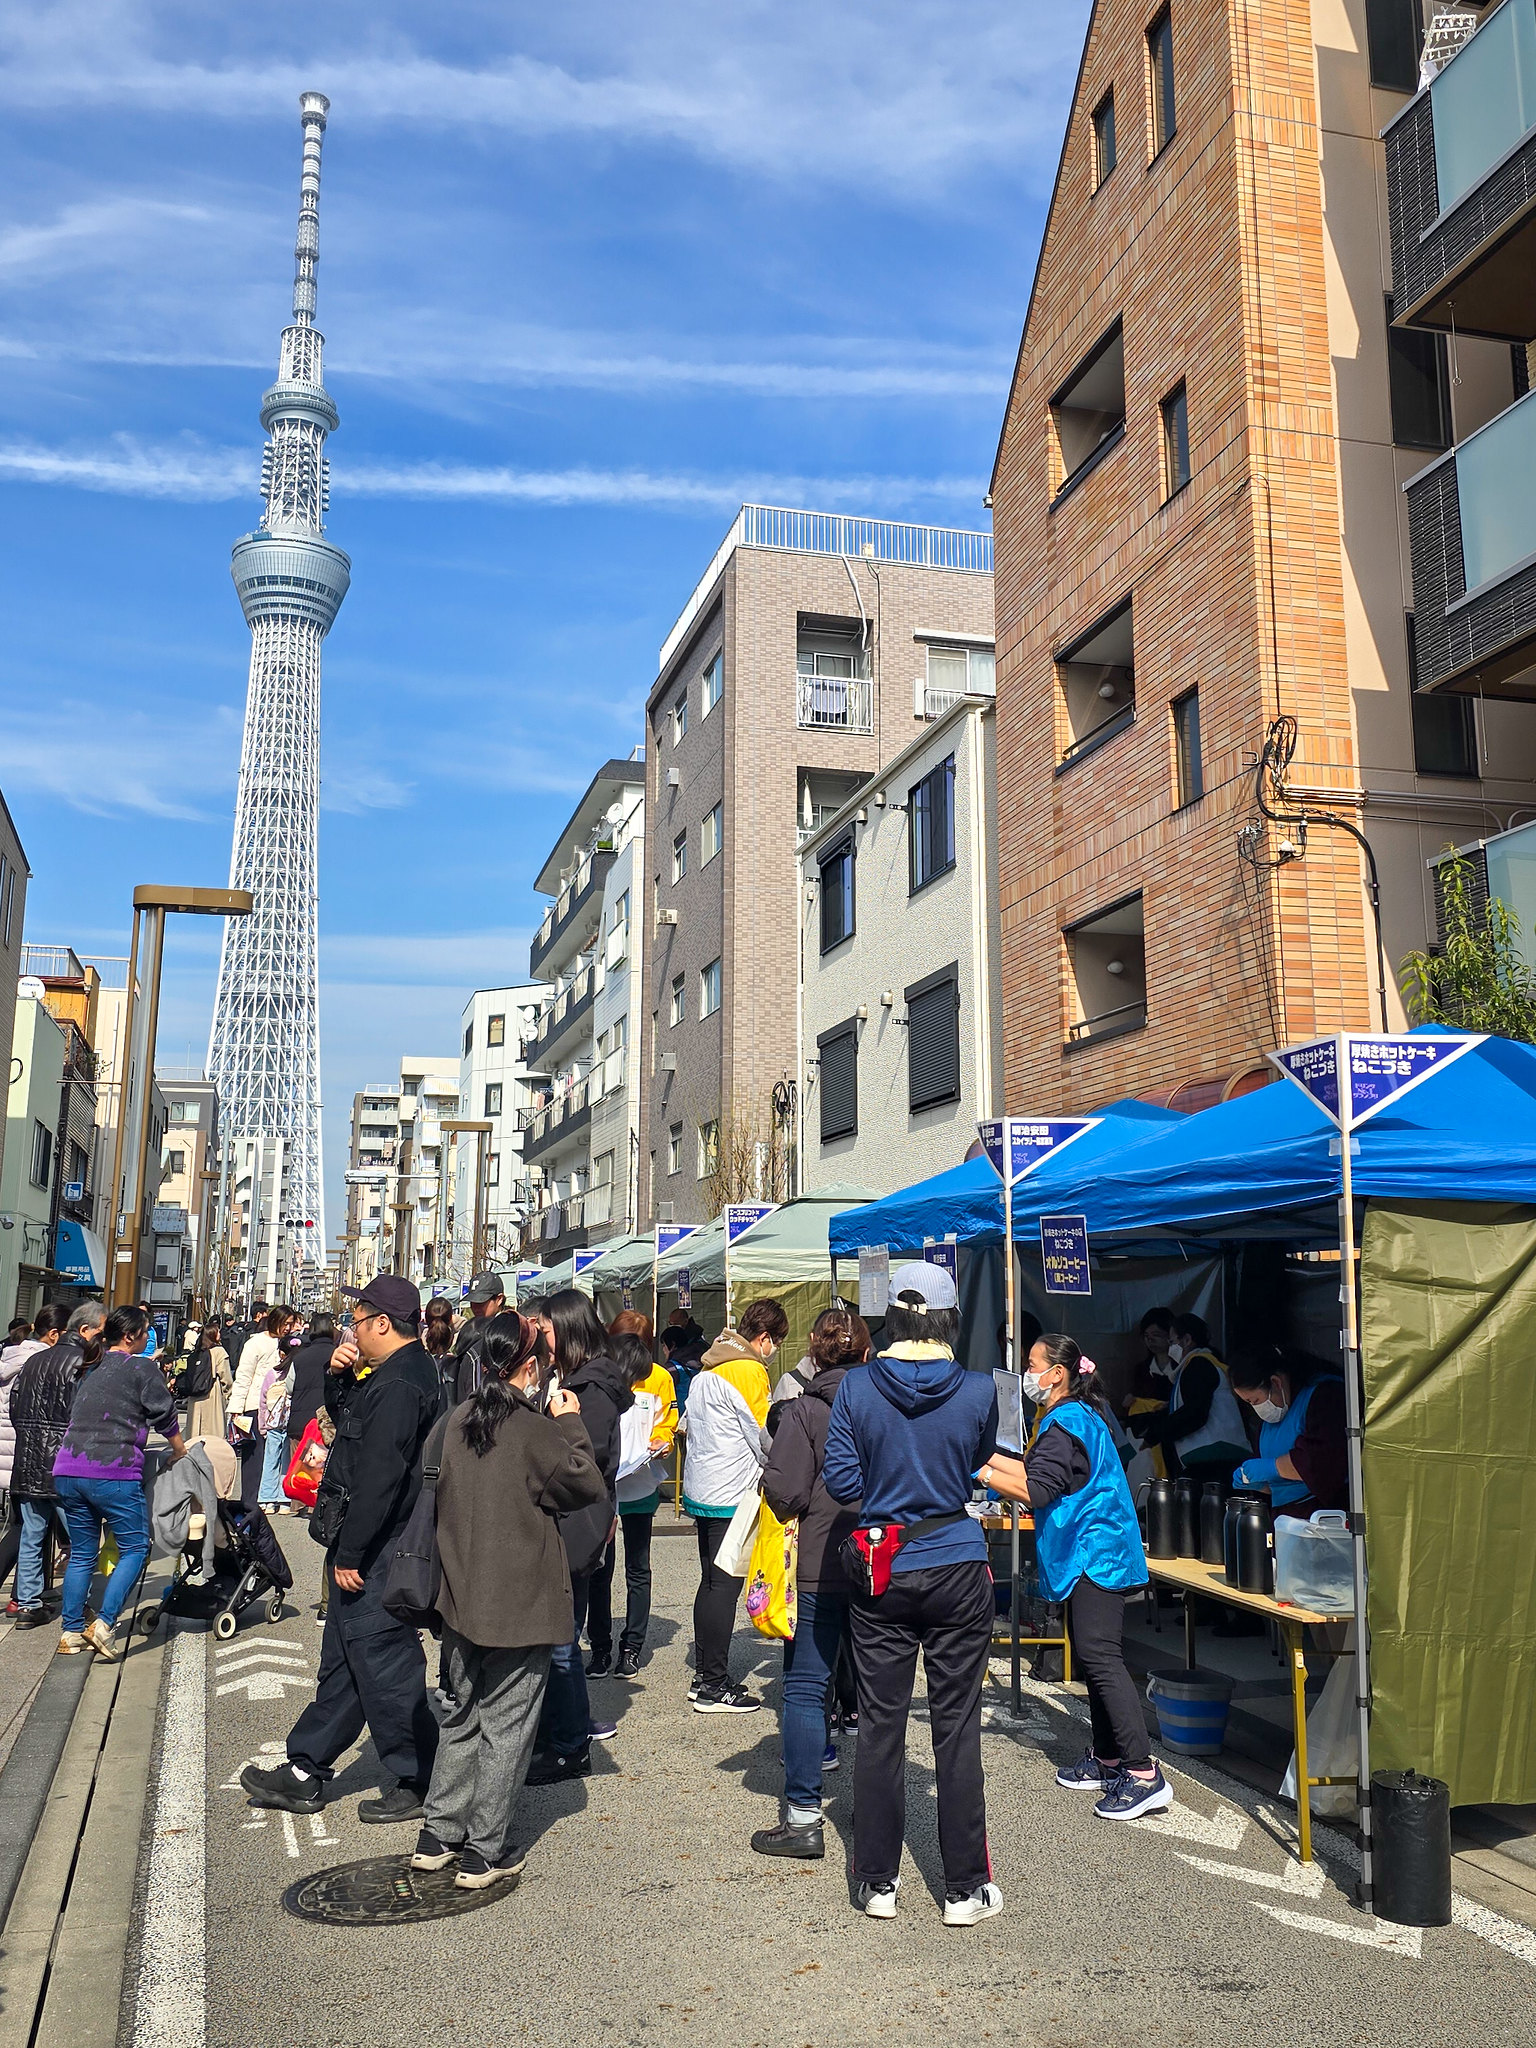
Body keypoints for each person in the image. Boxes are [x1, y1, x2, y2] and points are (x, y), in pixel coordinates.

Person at [822, 1261, 1002, 1925]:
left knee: (881, 1729)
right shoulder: (982, 1389)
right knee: (957, 1731)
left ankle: (876, 1882)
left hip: (883, 1567)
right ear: (949, 1318)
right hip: (957, 1562)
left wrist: (888, 1505)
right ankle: (965, 1889)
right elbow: (977, 1463)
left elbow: (842, 1481)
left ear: (891, 1317)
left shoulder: (857, 1388)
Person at [412, 1317, 608, 1888]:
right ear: (530, 1367)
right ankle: (485, 1849)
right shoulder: (530, 1429)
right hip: (519, 1601)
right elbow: (585, 1483)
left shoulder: (458, 1421)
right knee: (508, 1725)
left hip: (460, 1593)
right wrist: (569, 1420)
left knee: (462, 1712)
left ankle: (438, 1832)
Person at [240, 1275, 442, 1823]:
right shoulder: (389, 1374)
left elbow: (381, 1476)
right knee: (347, 1658)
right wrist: (339, 1381)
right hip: (369, 1539)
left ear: (382, 1322)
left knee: (383, 1659)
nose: (351, 1329)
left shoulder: (403, 1382)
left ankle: (421, 1774)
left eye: (357, 1319)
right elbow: (353, 1429)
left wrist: (352, 1553)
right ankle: (306, 1768)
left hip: (382, 1545)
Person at [982, 1333, 1172, 1822]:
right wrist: (981, 1456)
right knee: (1093, 1654)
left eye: (1032, 1364)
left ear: (1058, 1373)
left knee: (1101, 1656)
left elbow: (1038, 1489)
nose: (1027, 1374)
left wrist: (980, 1471)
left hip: (1097, 1552)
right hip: (1095, 1549)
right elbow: (1035, 1469)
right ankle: (1109, 1758)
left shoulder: (1064, 1422)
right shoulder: (1079, 1415)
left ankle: (1143, 1773)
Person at [751, 1305, 870, 1861]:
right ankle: (875, 1807)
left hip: (820, 1560)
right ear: (867, 1354)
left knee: (804, 1685)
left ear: (813, 1357)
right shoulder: (885, 1405)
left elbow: (785, 1491)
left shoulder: (802, 1412)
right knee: (879, 1689)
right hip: (882, 1562)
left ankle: (803, 1817)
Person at [526, 1291, 632, 1785]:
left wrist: (559, 1421)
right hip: (580, 1521)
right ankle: (565, 1731)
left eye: (544, 1329)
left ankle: (568, 1746)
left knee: (563, 1639)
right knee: (560, 1636)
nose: (539, 1337)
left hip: (575, 1523)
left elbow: (584, 1464)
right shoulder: (579, 1382)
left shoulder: (588, 1392)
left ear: (566, 1330)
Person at [53, 1303, 187, 1658]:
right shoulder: (142, 1368)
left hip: (68, 1467)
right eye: (144, 1332)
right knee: (135, 1547)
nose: (147, 1337)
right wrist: (179, 1450)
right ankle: (105, 1623)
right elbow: (165, 1416)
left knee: (82, 1552)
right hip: (112, 1470)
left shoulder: (90, 1367)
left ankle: (70, 1632)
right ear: (130, 1336)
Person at [682, 1297, 788, 1713]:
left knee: (709, 1582)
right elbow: (762, 1435)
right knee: (725, 1587)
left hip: (702, 1486)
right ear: (763, 1338)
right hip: (731, 1493)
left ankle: (703, 1675)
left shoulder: (711, 1367)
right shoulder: (749, 1370)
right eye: (776, 1341)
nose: (774, 1349)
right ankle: (714, 1683)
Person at [587, 1327, 677, 1679]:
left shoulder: (659, 1378)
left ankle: (632, 1646)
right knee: (599, 1570)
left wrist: (661, 1441)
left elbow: (666, 1423)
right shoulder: (600, 1381)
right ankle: (599, 1647)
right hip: (603, 1490)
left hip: (641, 1483)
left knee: (638, 1568)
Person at [1227, 1342, 1347, 1516]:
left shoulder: (1325, 1396)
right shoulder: (1270, 1418)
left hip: (1321, 1517)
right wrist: (1260, 1483)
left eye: (1255, 1401)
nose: (1255, 1408)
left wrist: (1272, 1467)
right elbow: (1280, 1482)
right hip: (1285, 1519)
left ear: (1275, 1382)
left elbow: (1320, 1462)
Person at [1131, 1311, 1249, 1481]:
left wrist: (1156, 1434)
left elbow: (1194, 1412)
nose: (1171, 1348)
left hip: (1213, 1458)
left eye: (1172, 1342)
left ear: (1186, 1340)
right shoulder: (1203, 1364)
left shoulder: (1198, 1364)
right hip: (1220, 1456)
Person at [0, 1306, 61, 1613]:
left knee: (26, 1526)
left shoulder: (11, 1357)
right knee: (25, 1528)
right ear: (52, 1335)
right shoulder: (41, 1363)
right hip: (28, 1452)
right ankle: (22, 1598)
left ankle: (25, 1597)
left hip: (12, 1451)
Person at [230, 1305, 296, 1510]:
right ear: (274, 1320)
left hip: (280, 1406)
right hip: (254, 1404)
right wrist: (236, 1406)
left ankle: (274, 1496)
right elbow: (243, 1375)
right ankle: (250, 1499)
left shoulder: (291, 1343)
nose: (288, 1328)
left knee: (278, 1453)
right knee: (254, 1455)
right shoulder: (255, 1343)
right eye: (285, 1323)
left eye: (290, 1324)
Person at [453, 1273, 507, 1402]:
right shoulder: (470, 1328)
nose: (475, 1307)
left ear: (499, 1299)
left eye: (481, 1301)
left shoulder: (507, 1331)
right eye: (473, 1301)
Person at [255, 1339, 294, 1512]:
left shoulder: (272, 1373)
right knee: (287, 1461)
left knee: (270, 1461)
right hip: (290, 1422)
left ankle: (266, 1499)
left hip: (273, 1422)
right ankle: (284, 1499)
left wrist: (262, 1424)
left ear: (281, 1353)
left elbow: (263, 1401)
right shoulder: (295, 1371)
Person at [182, 1320, 232, 1442]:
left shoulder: (196, 1353)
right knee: (212, 1432)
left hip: (194, 1395)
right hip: (212, 1393)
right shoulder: (219, 1352)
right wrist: (229, 1395)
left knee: (195, 1431)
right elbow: (226, 1377)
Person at [423, 1295, 459, 1412]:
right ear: (450, 1319)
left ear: (426, 1320)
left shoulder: (416, 1357)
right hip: (451, 1422)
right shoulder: (460, 1358)